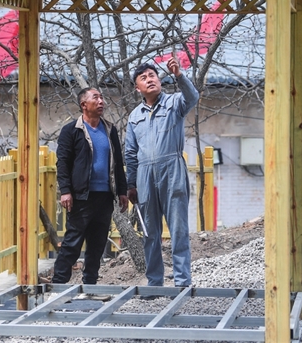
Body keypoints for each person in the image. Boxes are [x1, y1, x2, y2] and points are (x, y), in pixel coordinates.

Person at [125, 58, 199, 288]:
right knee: (150, 231)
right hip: (144, 175)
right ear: (137, 88)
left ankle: (182, 282)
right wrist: (131, 184)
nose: (149, 80)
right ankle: (154, 283)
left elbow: (192, 97)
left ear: (159, 80)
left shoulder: (174, 102)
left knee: (178, 228)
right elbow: (130, 153)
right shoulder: (134, 116)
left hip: (172, 169)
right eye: (143, 78)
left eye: (152, 75)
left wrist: (179, 75)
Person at [51, 87, 129, 287]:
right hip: (81, 196)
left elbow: (118, 162)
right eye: (96, 98)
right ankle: (58, 285)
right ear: (84, 104)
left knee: (97, 244)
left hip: (105, 196)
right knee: (72, 242)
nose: (101, 101)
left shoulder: (109, 129)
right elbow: (63, 163)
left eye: (102, 98)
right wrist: (65, 191)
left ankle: (90, 285)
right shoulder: (71, 130)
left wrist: (122, 191)